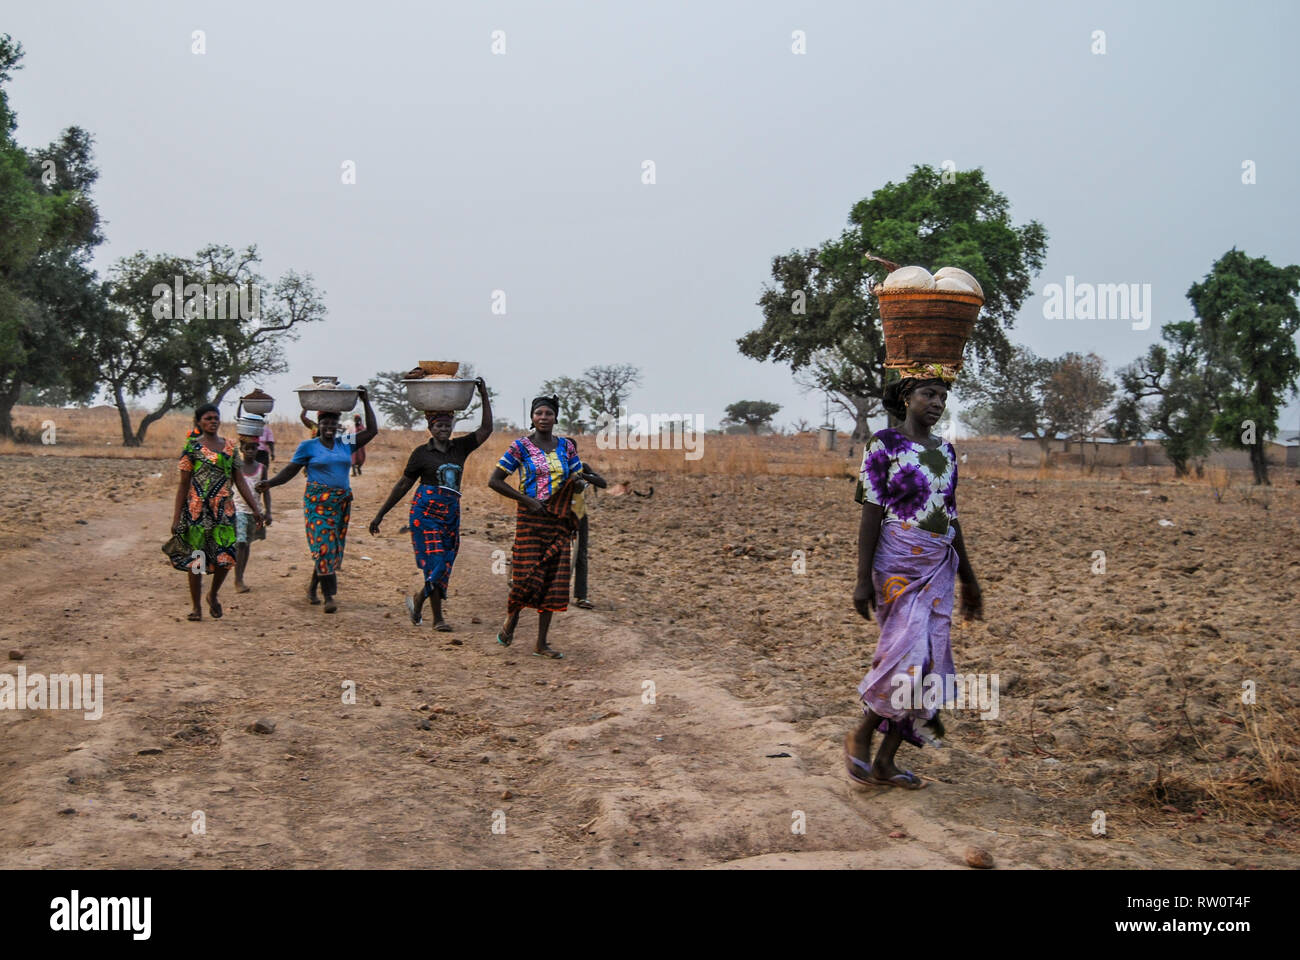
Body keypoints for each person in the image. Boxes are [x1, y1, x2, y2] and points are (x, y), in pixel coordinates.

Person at [844, 368, 983, 789]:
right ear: (907, 398)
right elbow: (871, 511)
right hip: (896, 563)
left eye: (942, 396)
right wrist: (862, 577)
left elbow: (951, 517)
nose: (937, 403)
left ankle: (886, 760)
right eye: (928, 393)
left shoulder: (947, 451)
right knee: (909, 656)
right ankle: (862, 734)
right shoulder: (884, 445)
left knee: (928, 664)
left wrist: (969, 578)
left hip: (939, 565)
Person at [369, 378, 492, 631]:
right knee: (435, 561)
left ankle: (421, 598)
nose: (444, 429)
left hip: (450, 513)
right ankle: (438, 618)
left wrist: (484, 394)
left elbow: (486, 429)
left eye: (448, 425)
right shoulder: (421, 454)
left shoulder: (461, 447)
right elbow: (403, 485)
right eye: (439, 425)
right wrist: (380, 515)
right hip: (424, 514)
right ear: (430, 427)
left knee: (445, 562)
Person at [487, 396, 598, 659]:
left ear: (556, 418)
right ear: (532, 418)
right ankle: (511, 619)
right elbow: (495, 480)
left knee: (553, 580)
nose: (544, 417)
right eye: (539, 413)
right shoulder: (520, 447)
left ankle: (541, 643)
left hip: (558, 520)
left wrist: (582, 482)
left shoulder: (566, 448)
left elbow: (575, 477)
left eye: (549, 413)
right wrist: (527, 500)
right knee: (526, 576)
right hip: (530, 519)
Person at [259, 388, 377, 613]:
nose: (330, 427)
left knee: (329, 548)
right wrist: (271, 483)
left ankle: (313, 587)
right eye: (325, 423)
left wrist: (366, 401)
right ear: (318, 425)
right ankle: (329, 595)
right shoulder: (308, 447)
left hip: (340, 504)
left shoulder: (346, 442)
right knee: (324, 547)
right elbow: (291, 470)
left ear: (338, 425)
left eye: (333, 423)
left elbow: (372, 431)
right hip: (317, 505)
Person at [169, 404, 265, 620]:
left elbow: (239, 480)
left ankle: (212, 594)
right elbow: (183, 485)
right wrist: (176, 518)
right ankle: (196, 607)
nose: (213, 421)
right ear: (199, 422)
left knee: (226, 557)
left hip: (224, 511)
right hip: (196, 511)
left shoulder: (230, 448)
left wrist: (255, 509)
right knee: (197, 559)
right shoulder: (191, 449)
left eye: (216, 417)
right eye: (208, 418)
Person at [568, 438, 607, 608]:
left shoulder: (581, 466)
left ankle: (581, 596)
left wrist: (582, 475)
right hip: (558, 513)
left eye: (572, 451)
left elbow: (602, 482)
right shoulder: (553, 466)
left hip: (579, 513)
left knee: (581, 554)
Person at [234, 434, 273, 593]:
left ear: (258, 448)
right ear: (241, 449)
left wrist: (268, 511)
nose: (250, 451)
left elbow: (266, 492)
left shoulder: (261, 468)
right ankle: (238, 579)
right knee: (241, 543)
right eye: (247, 448)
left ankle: (241, 575)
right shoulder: (236, 467)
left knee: (247, 543)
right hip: (239, 509)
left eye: (253, 448)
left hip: (255, 511)